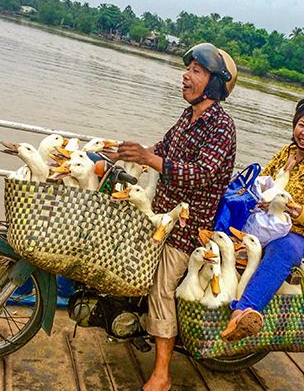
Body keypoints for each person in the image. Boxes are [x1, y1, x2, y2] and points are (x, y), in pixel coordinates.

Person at [104, 43, 237, 391]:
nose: (186, 75)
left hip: (188, 227)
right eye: (188, 68)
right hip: (162, 213)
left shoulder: (222, 126)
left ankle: (162, 374)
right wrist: (123, 153)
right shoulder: (187, 116)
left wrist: (150, 160)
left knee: (162, 286)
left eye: (196, 70)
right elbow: (161, 150)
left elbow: (201, 173)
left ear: (213, 83)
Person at [221, 97, 304, 342]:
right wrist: (266, 191)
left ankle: (242, 311)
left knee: (281, 249)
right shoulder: (285, 153)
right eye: (301, 124)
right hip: (268, 222)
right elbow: (263, 181)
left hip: (302, 237)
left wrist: (297, 210)